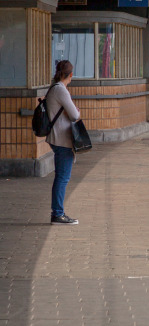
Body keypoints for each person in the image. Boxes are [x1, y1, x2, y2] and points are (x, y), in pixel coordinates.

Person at [46, 60, 80, 225]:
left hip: (56, 136)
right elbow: (74, 115)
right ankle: (58, 214)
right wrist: (76, 111)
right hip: (62, 138)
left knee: (61, 177)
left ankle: (57, 212)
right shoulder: (61, 89)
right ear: (71, 74)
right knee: (62, 178)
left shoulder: (54, 88)